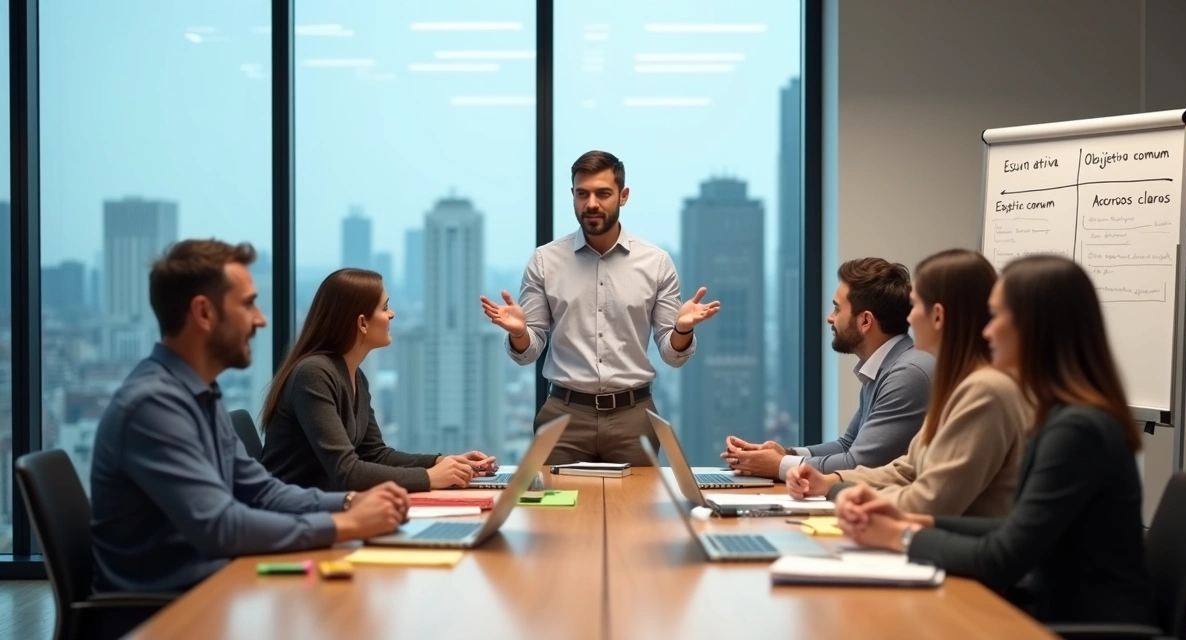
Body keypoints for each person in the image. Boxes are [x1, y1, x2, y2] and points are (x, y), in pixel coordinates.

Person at [834, 254, 1154, 626]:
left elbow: (1002, 558)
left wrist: (902, 535)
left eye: (997, 316)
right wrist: (910, 520)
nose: (986, 330)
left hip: (1076, 623)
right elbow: (1014, 527)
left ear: (1035, 328)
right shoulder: (1064, 413)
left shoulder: (1078, 429)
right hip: (1049, 606)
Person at [91, 240, 410, 599]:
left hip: (219, 589)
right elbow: (221, 527)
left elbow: (260, 491)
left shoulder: (198, 397)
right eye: (247, 304)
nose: (261, 319)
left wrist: (351, 503)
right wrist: (346, 524)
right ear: (204, 313)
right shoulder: (153, 407)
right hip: (166, 614)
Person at [480, 150, 720, 466]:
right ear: (573, 196)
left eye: (603, 193)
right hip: (563, 415)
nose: (591, 203)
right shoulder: (545, 261)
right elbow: (528, 353)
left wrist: (682, 330)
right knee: (556, 511)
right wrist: (521, 334)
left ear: (623, 196)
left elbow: (671, 355)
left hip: (634, 416)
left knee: (635, 513)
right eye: (583, 193)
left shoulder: (656, 263)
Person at [787, 249, 1031, 517]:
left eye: (915, 306)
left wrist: (841, 492)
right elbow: (909, 467)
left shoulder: (985, 390)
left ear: (937, 316)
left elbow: (932, 499)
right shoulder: (959, 382)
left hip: (958, 551)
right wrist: (833, 482)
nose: (909, 318)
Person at [261, 268, 497, 492]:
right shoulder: (313, 374)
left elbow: (375, 454)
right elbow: (347, 471)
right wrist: (430, 477)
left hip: (325, 509)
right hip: (291, 518)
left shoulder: (354, 375)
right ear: (362, 323)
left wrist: (441, 463)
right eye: (385, 308)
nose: (392, 314)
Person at [722, 257, 934, 479]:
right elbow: (847, 445)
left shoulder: (907, 373)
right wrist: (785, 454)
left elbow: (858, 463)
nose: (830, 318)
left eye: (837, 309)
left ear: (865, 321)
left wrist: (779, 466)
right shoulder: (887, 365)